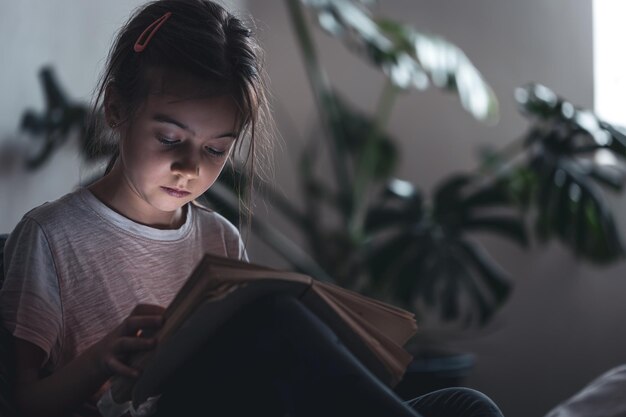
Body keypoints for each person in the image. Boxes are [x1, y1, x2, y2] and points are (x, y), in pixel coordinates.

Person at [0, 1, 504, 417]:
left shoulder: (218, 238)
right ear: (116, 110)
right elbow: (19, 402)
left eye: (216, 149)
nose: (190, 167)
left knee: (467, 405)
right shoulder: (49, 237)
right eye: (170, 138)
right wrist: (99, 362)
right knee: (273, 320)